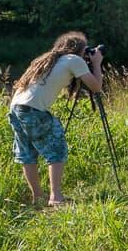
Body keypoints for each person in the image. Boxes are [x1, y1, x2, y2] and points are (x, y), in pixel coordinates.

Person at [9, 31, 103, 206]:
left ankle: (38, 197)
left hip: (16, 108)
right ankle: (56, 197)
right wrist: (96, 63)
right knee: (57, 149)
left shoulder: (47, 60)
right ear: (79, 50)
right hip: (33, 109)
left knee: (28, 154)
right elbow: (96, 86)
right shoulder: (74, 60)